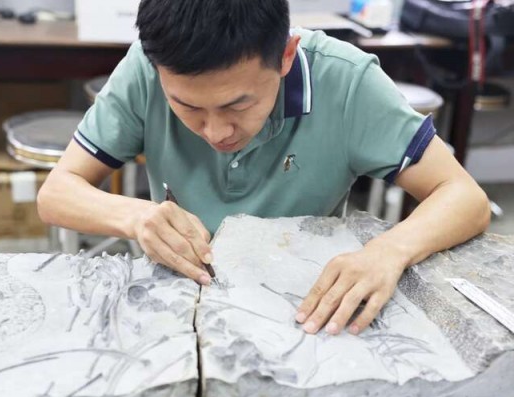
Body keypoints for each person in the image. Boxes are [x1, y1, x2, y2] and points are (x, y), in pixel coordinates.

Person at [37, 0, 490, 336]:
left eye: (238, 105)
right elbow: (57, 193)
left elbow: (464, 197)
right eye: (187, 106)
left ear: (287, 55)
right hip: (182, 300)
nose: (215, 132)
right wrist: (137, 216)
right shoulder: (145, 67)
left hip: (303, 303)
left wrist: (388, 251)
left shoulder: (346, 81)